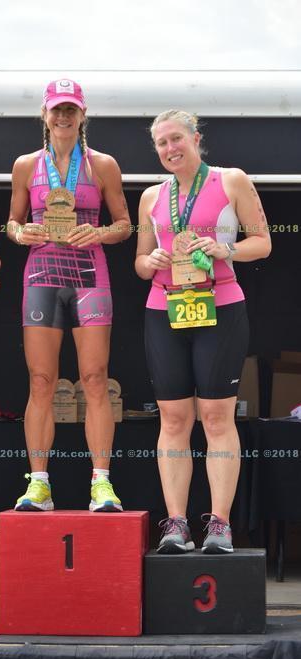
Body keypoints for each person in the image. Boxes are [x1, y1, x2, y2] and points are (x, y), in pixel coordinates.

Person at [135, 109, 271, 553]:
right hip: (165, 308)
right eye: (161, 143)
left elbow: (263, 242)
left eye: (176, 138)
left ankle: (220, 525)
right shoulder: (152, 196)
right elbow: (140, 262)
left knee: (215, 416)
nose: (170, 148)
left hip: (220, 305)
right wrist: (151, 260)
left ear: (195, 138)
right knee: (174, 418)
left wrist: (224, 248)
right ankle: (176, 523)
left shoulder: (231, 180)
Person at [7, 79, 131, 512]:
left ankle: (102, 483)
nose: (63, 117)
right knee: (41, 381)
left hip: (89, 277)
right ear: (44, 114)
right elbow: (11, 222)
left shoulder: (103, 165)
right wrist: (21, 233)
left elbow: (124, 225)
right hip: (41, 277)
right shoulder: (26, 165)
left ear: (82, 115)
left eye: (70, 110)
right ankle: (39, 484)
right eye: (56, 109)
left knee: (95, 379)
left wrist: (98, 233)